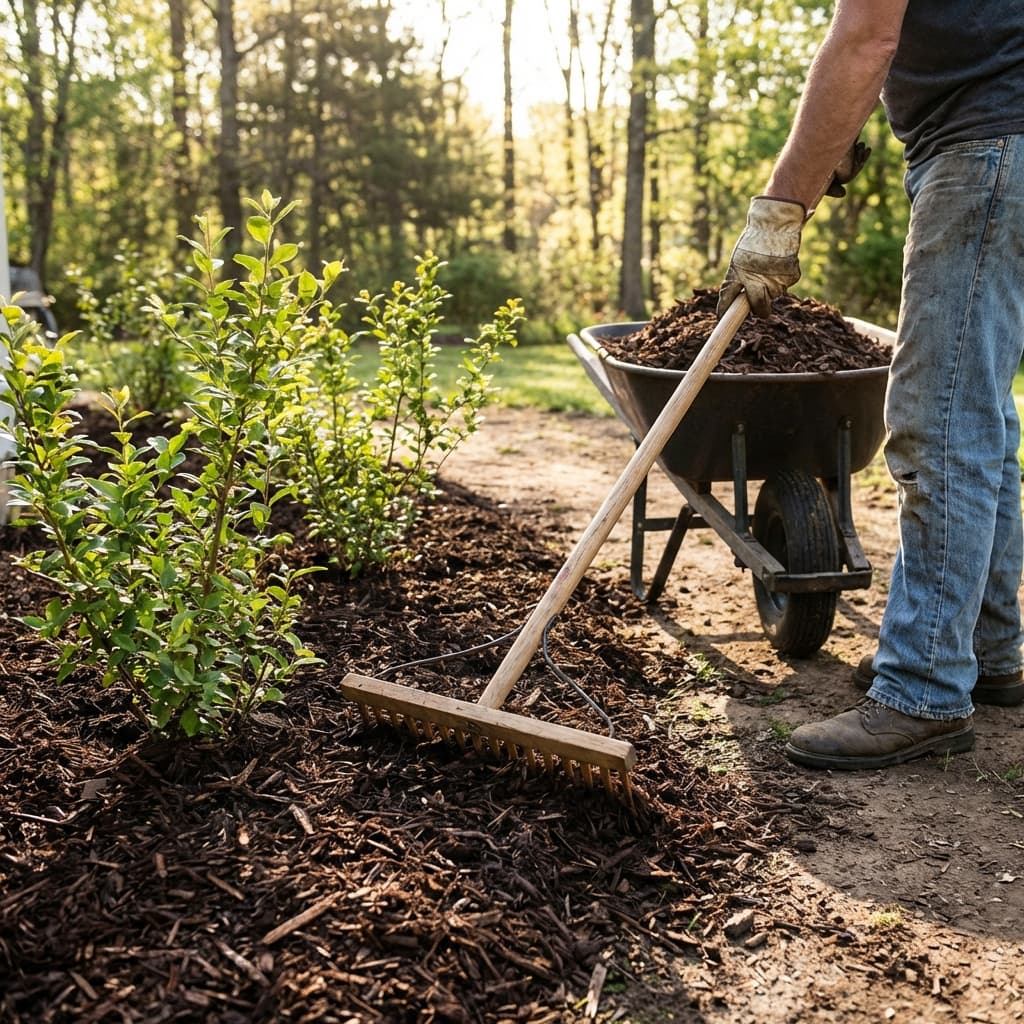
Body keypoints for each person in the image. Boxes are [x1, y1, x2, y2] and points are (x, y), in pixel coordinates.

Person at [718, 0, 1024, 770]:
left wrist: (780, 208)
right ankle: (987, 651)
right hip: (1002, 142)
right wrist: (840, 136)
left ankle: (923, 689)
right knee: (980, 411)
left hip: (986, 147)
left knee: (941, 418)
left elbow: (864, 37)